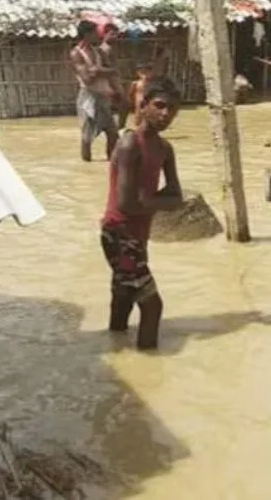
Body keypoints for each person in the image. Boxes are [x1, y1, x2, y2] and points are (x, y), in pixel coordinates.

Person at [101, 77, 184, 350]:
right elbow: (126, 205)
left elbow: (177, 197)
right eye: (160, 106)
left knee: (124, 295)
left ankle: (117, 350)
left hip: (138, 233)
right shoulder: (130, 144)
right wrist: (157, 201)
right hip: (119, 232)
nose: (166, 114)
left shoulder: (164, 149)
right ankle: (150, 365)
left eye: (173, 109)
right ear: (144, 105)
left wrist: (147, 201)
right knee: (152, 306)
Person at [71, 19, 119, 161]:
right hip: (88, 97)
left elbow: (113, 71)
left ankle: (112, 162)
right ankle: (87, 163)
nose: (98, 35)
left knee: (112, 133)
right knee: (87, 137)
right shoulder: (76, 53)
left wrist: (96, 71)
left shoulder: (98, 51)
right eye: (94, 33)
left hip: (103, 96)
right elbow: (87, 79)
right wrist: (98, 71)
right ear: (86, 34)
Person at [126, 62, 154, 126]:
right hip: (138, 103)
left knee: (148, 118)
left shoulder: (152, 83)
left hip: (148, 103)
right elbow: (130, 94)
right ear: (138, 73)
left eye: (147, 72)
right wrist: (130, 103)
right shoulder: (135, 83)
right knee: (138, 119)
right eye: (142, 72)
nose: (145, 75)